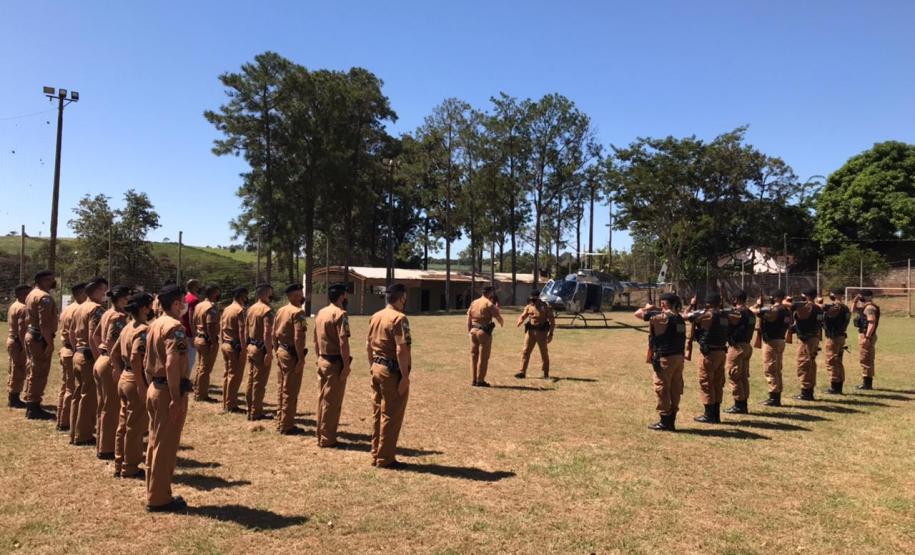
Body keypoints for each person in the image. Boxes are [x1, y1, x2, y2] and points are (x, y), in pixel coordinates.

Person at [144, 283, 190, 512]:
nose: (185, 305)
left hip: (155, 387)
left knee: (155, 442)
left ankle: (154, 490)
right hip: (168, 391)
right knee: (166, 446)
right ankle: (159, 498)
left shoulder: (154, 325)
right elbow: (172, 363)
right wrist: (176, 397)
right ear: (174, 303)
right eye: (182, 301)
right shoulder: (174, 327)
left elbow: (146, 360)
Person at [366, 283, 412, 469]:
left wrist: (372, 366)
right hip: (391, 372)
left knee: (378, 412)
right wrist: (405, 376)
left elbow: (368, 345)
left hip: (376, 367)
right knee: (391, 414)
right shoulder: (399, 319)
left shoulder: (375, 316)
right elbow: (401, 349)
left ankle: (376, 453)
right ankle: (386, 458)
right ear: (401, 298)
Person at [113, 292, 152, 479]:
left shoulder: (127, 326)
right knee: (135, 427)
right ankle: (130, 467)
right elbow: (137, 358)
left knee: (123, 424)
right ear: (144, 308)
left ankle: (119, 461)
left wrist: (121, 372)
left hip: (125, 377)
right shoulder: (143, 329)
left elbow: (113, 352)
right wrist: (142, 386)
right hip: (136, 380)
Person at [634, 292, 686, 431]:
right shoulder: (679, 318)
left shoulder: (663, 317)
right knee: (675, 388)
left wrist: (647, 307)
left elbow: (638, 314)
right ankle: (672, 419)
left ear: (664, 303)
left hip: (665, 358)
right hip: (678, 358)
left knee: (662, 388)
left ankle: (665, 420)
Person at [93, 285, 130, 460]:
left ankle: (101, 442)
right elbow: (112, 342)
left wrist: (99, 354)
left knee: (103, 405)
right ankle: (106, 448)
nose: (128, 300)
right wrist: (116, 366)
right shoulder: (119, 317)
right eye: (126, 298)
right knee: (111, 407)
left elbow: (95, 336)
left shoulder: (106, 312)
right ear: (120, 299)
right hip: (110, 362)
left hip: (102, 359)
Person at [314, 283, 352, 446]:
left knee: (322, 399)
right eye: (345, 295)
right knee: (332, 402)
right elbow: (343, 342)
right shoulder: (341, 314)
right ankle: (327, 438)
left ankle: (321, 434)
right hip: (334, 363)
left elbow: (315, 339)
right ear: (342, 296)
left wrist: (318, 357)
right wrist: (346, 366)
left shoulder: (321, 312)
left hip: (322, 359)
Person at [71, 277, 108, 444]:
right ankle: (84, 435)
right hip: (89, 356)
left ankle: (75, 432)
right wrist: (98, 358)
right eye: (102, 290)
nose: (104, 293)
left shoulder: (79, 307)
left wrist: (75, 350)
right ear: (94, 290)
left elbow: (71, 332)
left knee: (78, 395)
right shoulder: (96, 309)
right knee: (89, 397)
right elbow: (95, 336)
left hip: (78, 353)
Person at [685, 293, 728, 423]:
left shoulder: (707, 315)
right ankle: (716, 414)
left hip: (709, 354)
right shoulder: (724, 316)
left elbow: (684, 316)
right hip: (721, 351)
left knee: (706, 382)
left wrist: (692, 305)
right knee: (717, 383)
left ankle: (709, 415)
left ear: (708, 304)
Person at [23, 270, 59, 420]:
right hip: (40, 338)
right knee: (39, 372)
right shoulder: (44, 297)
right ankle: (34, 407)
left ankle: (31, 402)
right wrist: (49, 343)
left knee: (32, 369)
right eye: (48, 280)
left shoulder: (31, 294)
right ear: (41, 281)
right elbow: (44, 323)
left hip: (32, 333)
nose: (51, 283)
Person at [273, 283, 308, 435]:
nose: (302, 296)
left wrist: (276, 350)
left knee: (282, 388)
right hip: (291, 354)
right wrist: (301, 359)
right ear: (293, 295)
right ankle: (287, 425)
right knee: (290, 389)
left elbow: (273, 333)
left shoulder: (281, 310)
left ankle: (280, 419)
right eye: (300, 293)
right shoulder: (298, 312)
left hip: (281, 350)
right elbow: (299, 337)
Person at [56, 282, 87, 430]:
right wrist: (77, 351)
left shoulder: (68, 308)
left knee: (66, 386)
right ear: (81, 294)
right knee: (72, 388)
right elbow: (73, 334)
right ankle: (66, 421)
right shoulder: (78, 310)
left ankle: (62, 418)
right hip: (72, 350)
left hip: (65, 350)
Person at [245, 283, 275, 421]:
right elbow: (267, 334)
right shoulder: (266, 310)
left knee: (251, 379)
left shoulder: (250, 309)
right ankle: (256, 412)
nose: (271, 295)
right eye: (270, 293)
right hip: (260, 349)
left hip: (250, 346)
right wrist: (269, 352)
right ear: (264, 294)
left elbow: (245, 329)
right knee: (259, 382)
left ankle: (249, 408)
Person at [723, 290, 756, 414]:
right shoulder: (751, 314)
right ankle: (743, 402)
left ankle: (739, 404)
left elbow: (727, 321)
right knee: (743, 376)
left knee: (734, 375)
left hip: (737, 347)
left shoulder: (738, 313)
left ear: (737, 299)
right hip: (747, 345)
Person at [466, 285, 504, 387]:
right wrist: (502, 322)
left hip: (473, 331)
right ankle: (480, 380)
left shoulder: (474, 302)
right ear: (490, 293)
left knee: (474, 356)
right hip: (483, 332)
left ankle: (473, 380)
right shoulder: (488, 303)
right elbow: (497, 316)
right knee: (483, 357)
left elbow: (468, 318)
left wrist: (469, 331)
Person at [514, 290, 555, 379]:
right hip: (530, 332)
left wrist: (551, 334)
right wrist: (520, 320)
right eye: (532, 299)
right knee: (525, 351)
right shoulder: (529, 306)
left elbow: (552, 320)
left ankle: (546, 373)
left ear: (538, 298)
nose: (533, 300)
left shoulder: (545, 306)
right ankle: (522, 372)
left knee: (544, 353)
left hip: (542, 333)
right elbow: (523, 315)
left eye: (534, 299)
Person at [220, 287, 248, 413]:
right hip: (235, 347)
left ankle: (226, 401)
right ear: (242, 296)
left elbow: (221, 327)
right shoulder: (240, 310)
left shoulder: (226, 309)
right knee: (234, 376)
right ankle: (231, 404)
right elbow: (242, 331)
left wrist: (222, 341)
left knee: (227, 375)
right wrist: (243, 349)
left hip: (225, 344)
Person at [791, 288, 823, 401]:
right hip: (814, 337)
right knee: (810, 365)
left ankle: (806, 393)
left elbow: (792, 306)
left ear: (806, 296)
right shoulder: (818, 308)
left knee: (803, 365)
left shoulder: (808, 307)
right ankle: (809, 391)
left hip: (806, 340)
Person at [191, 284, 221, 402]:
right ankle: (201, 394)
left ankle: (197, 390)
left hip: (199, 338)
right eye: (217, 293)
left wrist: (195, 335)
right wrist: (213, 341)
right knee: (205, 368)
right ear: (213, 293)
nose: (219, 295)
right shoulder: (211, 307)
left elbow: (193, 321)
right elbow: (210, 325)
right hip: (207, 340)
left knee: (200, 367)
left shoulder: (199, 305)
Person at [822, 288, 852, 394]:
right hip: (841, 335)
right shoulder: (846, 308)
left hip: (833, 337)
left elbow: (826, 316)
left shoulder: (836, 307)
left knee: (831, 361)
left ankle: (835, 386)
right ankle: (839, 385)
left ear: (835, 295)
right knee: (838, 361)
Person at [6, 284, 31, 409]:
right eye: (28, 293)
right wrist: (24, 345)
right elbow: (22, 329)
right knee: (19, 369)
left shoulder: (13, 305)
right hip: (18, 342)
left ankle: (12, 395)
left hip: (12, 340)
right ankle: (14, 398)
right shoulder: (22, 308)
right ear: (22, 295)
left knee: (13, 368)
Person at [852, 289, 880, 390]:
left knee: (866, 358)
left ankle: (867, 384)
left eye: (861, 296)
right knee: (865, 358)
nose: (860, 298)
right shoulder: (865, 307)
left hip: (867, 335)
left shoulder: (870, 308)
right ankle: (866, 382)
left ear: (868, 296)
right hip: (864, 334)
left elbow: (871, 322)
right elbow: (853, 311)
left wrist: (867, 337)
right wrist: (855, 302)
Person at [182, 280, 201, 375]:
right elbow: (191, 318)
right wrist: (194, 335)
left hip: (182, 332)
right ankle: (185, 379)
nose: (199, 288)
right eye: (197, 286)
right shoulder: (194, 300)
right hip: (190, 333)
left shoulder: (185, 298)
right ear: (193, 287)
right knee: (190, 359)